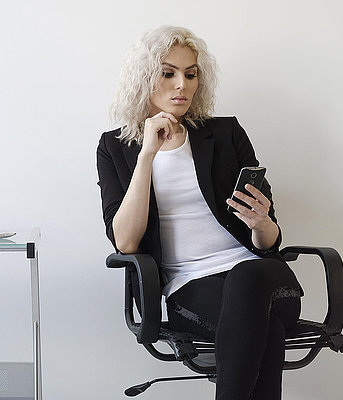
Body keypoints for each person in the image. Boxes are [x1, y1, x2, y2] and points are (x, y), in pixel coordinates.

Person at [96, 26, 303, 400]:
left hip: (263, 278)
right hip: (191, 289)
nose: (183, 85)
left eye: (191, 74)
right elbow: (125, 241)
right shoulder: (115, 147)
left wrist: (262, 224)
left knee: (248, 273)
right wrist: (147, 155)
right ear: (144, 78)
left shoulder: (225, 134)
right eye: (169, 72)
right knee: (266, 332)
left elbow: (269, 242)